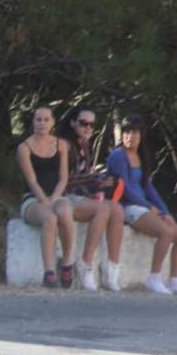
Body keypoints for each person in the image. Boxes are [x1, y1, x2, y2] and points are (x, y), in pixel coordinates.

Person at [106, 115, 177, 296]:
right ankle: (154, 278)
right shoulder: (118, 156)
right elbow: (124, 189)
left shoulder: (140, 157)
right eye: (127, 132)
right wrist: (150, 208)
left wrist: (164, 211)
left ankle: (175, 281)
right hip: (129, 207)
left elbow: (148, 187)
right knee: (166, 232)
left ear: (141, 135)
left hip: (145, 207)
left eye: (134, 132)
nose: (130, 136)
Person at [57, 106, 122, 291]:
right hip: (63, 198)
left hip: (80, 197)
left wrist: (100, 183)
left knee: (116, 209)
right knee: (103, 209)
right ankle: (85, 265)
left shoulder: (86, 145)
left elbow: (85, 177)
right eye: (83, 123)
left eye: (92, 125)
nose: (88, 128)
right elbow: (65, 180)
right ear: (72, 123)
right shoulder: (64, 146)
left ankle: (112, 269)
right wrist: (95, 179)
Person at [17, 105, 77, 288]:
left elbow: (63, 178)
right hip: (33, 199)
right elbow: (32, 181)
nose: (41, 123)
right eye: (38, 119)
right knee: (49, 218)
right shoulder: (24, 147)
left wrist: (54, 199)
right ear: (33, 122)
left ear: (52, 123)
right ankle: (49, 271)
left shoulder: (61, 145)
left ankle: (67, 263)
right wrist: (45, 202)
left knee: (65, 211)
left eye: (46, 120)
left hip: (56, 195)